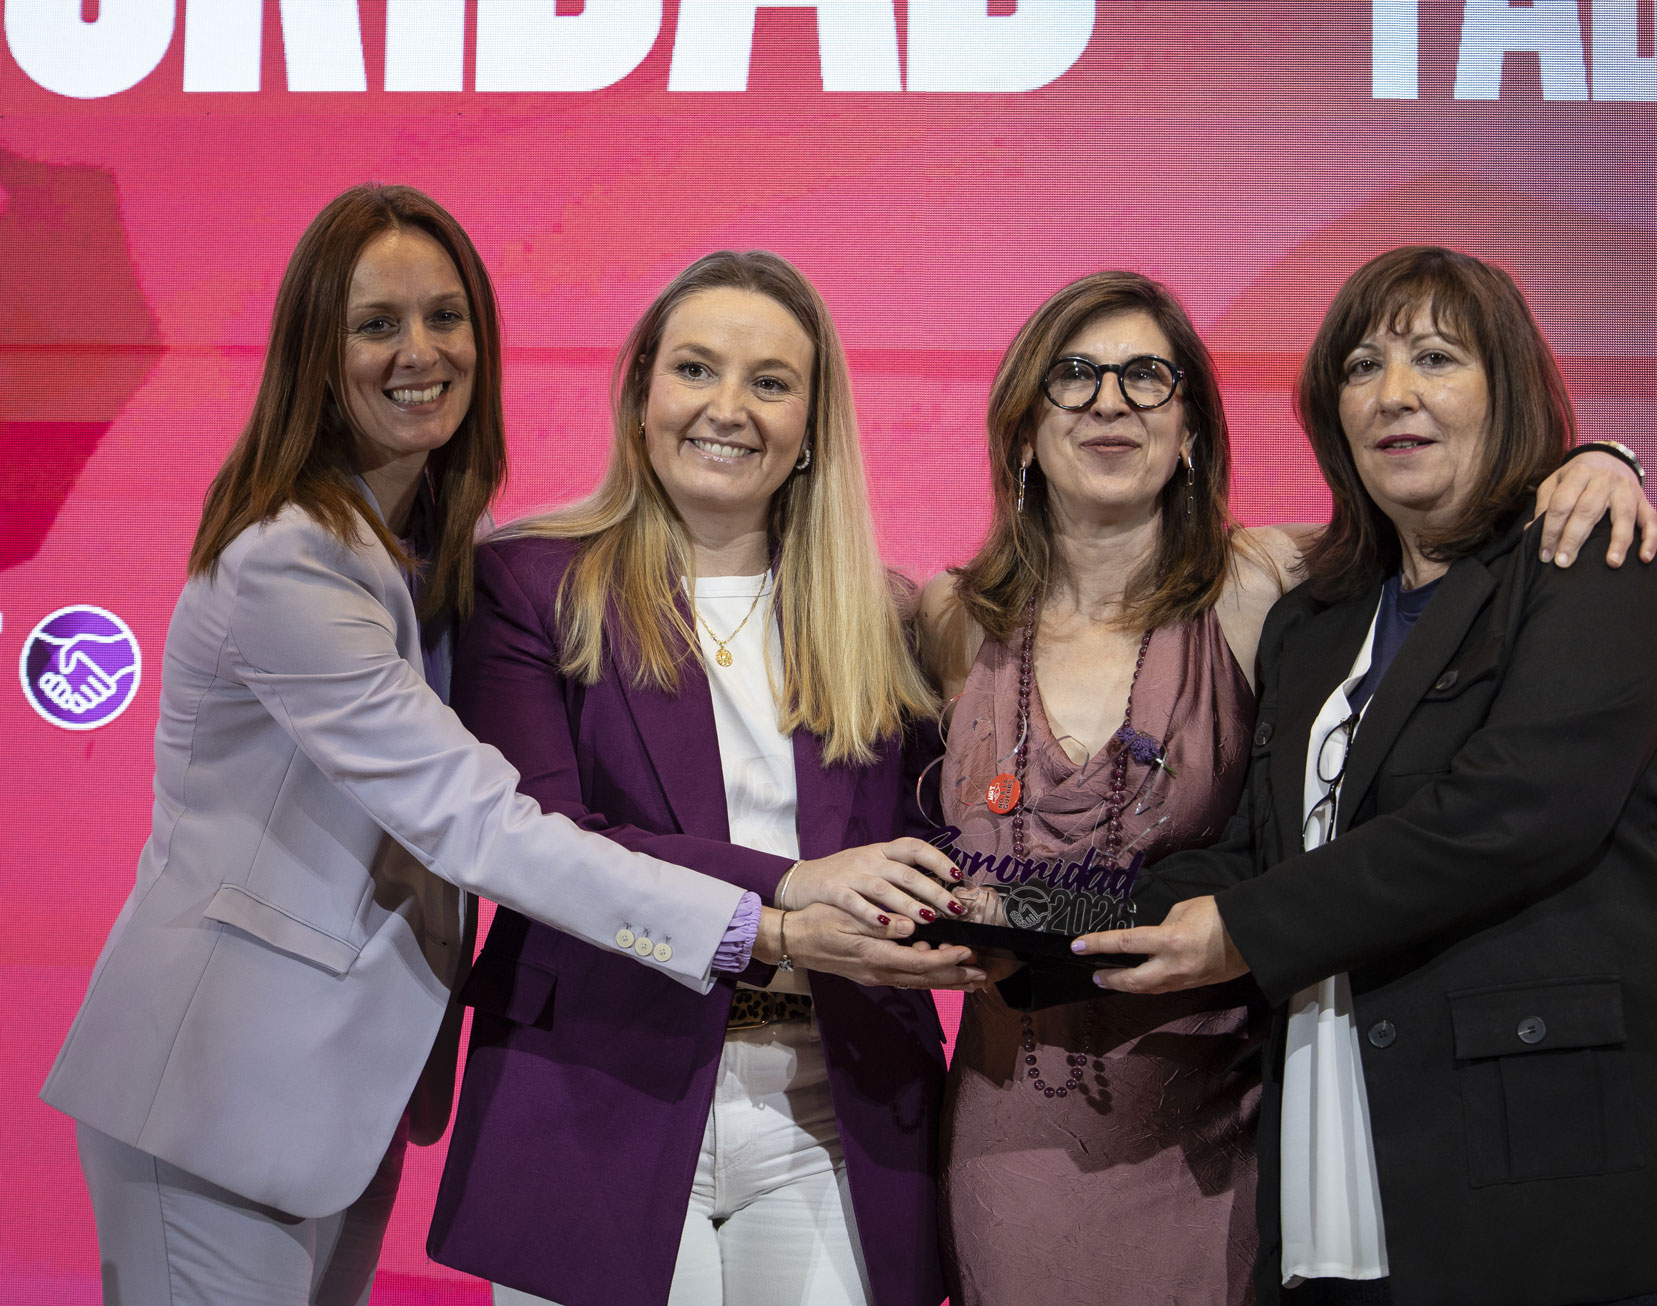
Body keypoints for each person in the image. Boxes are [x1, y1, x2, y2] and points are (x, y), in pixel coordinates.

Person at [40, 188, 975, 1306]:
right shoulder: (310, 563)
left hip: (351, 1085)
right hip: (227, 1078)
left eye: (444, 318)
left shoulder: (434, 547)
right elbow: (493, 823)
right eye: (377, 323)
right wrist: (777, 912)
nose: (418, 351)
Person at [920, 269, 1657, 1306]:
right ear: (1021, 425)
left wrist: (1593, 459)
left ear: (1192, 433)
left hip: (1218, 1119)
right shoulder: (945, 618)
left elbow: (1462, 533)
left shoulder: (1266, 583)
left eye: (1147, 377)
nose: (1108, 401)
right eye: (1073, 374)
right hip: (1010, 1122)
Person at [1078, 246, 1657, 1306]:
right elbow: (1268, 851)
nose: (1392, 394)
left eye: (1436, 358)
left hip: (1570, 1173)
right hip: (1351, 1173)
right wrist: (1047, 918)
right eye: (1361, 367)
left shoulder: (1584, 553)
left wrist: (1243, 930)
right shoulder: (1315, 621)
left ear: (1506, 390)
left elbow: (1511, 813)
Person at [427, 250, 978, 1306]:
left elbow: (936, 847)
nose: (728, 408)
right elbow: (547, 839)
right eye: (694, 370)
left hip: (836, 1108)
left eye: (770, 382)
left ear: (813, 425)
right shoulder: (527, 584)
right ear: (641, 394)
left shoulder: (884, 616)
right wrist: (793, 882)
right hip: (595, 1088)